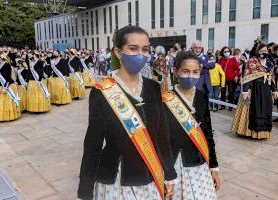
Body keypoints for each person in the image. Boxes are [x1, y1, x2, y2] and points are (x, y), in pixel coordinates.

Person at [77, 25, 177, 200]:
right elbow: (93, 144)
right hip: (115, 181)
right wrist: (84, 191)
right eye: (133, 48)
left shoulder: (153, 87)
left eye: (145, 49)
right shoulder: (102, 91)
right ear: (118, 52)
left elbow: (162, 135)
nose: (140, 54)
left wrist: (169, 174)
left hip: (150, 176)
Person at [162, 51, 220, 200]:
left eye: (195, 72)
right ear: (175, 71)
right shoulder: (166, 98)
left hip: (198, 162)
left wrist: (214, 167)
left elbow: (207, 133)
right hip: (174, 164)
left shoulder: (201, 96)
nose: (190, 76)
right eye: (185, 71)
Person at [232, 43, 278, 139]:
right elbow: (247, 76)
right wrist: (245, 91)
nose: (264, 52)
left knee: (264, 111)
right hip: (253, 90)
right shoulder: (252, 61)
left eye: (265, 51)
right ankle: (249, 132)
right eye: (262, 51)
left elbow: (272, 77)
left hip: (265, 91)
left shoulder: (270, 63)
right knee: (251, 110)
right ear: (258, 51)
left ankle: (263, 133)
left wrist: (274, 90)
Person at [0, 53, 21, 121]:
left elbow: (8, 77)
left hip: (7, 85)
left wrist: (5, 87)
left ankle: (8, 116)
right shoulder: (0, 64)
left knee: (7, 102)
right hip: (0, 84)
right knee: (0, 102)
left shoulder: (7, 64)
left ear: (0, 57)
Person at [218, 46, 240, 111]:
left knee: (231, 92)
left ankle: (230, 106)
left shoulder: (233, 59)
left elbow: (237, 69)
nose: (226, 52)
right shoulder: (221, 60)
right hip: (223, 79)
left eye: (228, 51)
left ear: (230, 52)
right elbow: (218, 69)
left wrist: (236, 76)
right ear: (222, 52)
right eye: (225, 51)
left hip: (231, 79)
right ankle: (222, 105)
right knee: (222, 92)